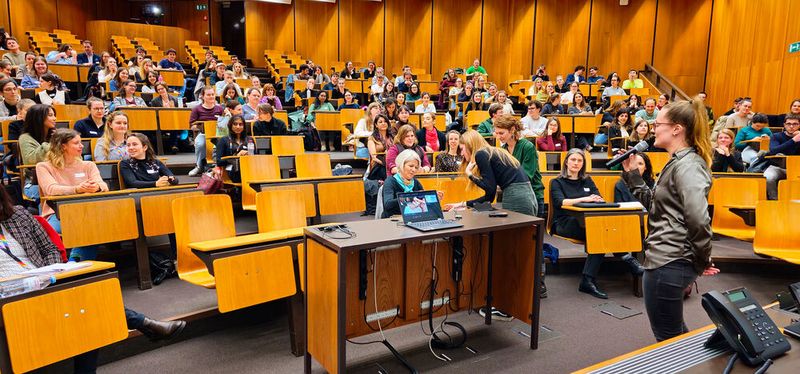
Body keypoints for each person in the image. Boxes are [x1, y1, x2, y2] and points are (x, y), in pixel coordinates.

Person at [0, 184, 185, 373]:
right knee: (85, 305)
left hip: (41, 282)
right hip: (7, 295)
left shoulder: (18, 215)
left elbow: (49, 248)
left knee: (87, 303)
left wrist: (49, 272)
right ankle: (144, 323)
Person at [643, 97, 717, 342]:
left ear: (677, 129)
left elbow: (697, 217)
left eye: (657, 123)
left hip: (670, 260)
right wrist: (634, 176)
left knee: (669, 338)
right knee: (674, 333)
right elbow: (663, 207)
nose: (653, 126)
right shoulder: (678, 162)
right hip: (668, 257)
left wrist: (702, 258)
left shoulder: (689, 165)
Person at [549, 149, 642, 299]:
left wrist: (595, 199)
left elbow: (598, 198)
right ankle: (626, 257)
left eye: (580, 161)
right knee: (599, 232)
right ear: (566, 161)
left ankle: (588, 280)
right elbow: (561, 202)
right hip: (564, 222)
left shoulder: (587, 180)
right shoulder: (557, 182)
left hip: (589, 222)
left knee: (599, 232)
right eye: (573, 160)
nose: (576, 163)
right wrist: (584, 199)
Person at [36, 128, 106, 260]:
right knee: (85, 226)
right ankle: (75, 263)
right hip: (57, 213)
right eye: (76, 143)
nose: (81, 146)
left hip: (87, 211)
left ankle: (74, 262)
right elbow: (51, 189)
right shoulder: (44, 167)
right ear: (63, 146)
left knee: (93, 224)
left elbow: (103, 186)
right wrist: (77, 189)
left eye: (81, 142)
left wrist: (96, 187)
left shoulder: (88, 165)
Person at [494, 115, 545, 217]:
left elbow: (526, 176)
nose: (498, 136)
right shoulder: (503, 150)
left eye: (501, 133)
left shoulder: (528, 147)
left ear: (512, 130)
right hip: (512, 196)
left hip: (532, 196)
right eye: (497, 133)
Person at [381, 150, 430, 218]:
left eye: (416, 167)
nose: (413, 170)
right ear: (401, 165)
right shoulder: (390, 181)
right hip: (393, 220)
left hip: (413, 218)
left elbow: (423, 201)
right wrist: (408, 198)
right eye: (411, 166)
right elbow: (387, 204)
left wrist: (432, 198)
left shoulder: (416, 182)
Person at [188, 86, 224, 176]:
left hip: (217, 134)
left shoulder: (219, 109)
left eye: (212, 94)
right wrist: (201, 127)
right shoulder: (197, 109)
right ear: (202, 96)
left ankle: (220, 167)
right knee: (200, 144)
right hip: (203, 134)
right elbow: (192, 126)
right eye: (208, 95)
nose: (211, 96)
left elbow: (224, 123)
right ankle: (199, 166)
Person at [764, 114, 800, 200]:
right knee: (769, 177)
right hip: (778, 167)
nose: (791, 126)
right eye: (788, 124)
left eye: (795, 124)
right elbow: (773, 151)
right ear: (784, 125)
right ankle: (774, 199)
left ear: (799, 125)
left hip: (797, 168)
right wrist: (793, 140)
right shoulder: (776, 136)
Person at [213, 115, 251, 183]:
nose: (238, 127)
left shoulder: (249, 140)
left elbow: (255, 156)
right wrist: (236, 157)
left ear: (244, 126)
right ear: (230, 125)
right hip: (231, 169)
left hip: (248, 167)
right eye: (235, 124)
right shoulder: (223, 140)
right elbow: (219, 161)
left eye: (241, 124)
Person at [367, 114, 394, 181]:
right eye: (380, 122)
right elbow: (374, 157)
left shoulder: (392, 137)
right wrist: (386, 163)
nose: (383, 123)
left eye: (385, 121)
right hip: (379, 164)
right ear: (376, 125)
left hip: (392, 163)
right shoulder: (372, 138)